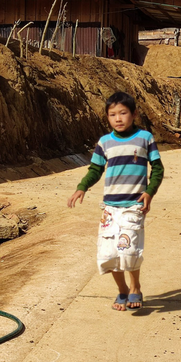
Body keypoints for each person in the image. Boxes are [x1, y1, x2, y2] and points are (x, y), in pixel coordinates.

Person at [68, 91, 164, 312]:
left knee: (129, 252)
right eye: (112, 115)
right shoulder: (104, 142)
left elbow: (158, 168)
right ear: (107, 117)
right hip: (110, 208)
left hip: (133, 206)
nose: (118, 118)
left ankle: (135, 287)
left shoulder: (145, 138)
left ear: (134, 114)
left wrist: (149, 192)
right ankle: (122, 290)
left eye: (123, 113)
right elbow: (95, 169)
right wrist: (82, 187)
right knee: (109, 254)